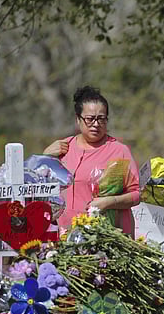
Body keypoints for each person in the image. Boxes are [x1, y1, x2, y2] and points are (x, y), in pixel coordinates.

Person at [43, 86, 140, 237]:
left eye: (101, 119)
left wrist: (109, 202)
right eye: (90, 119)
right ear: (78, 119)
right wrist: (44, 156)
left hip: (105, 237)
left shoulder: (119, 151)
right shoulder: (62, 148)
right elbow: (37, 184)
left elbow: (136, 194)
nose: (96, 124)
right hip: (64, 237)